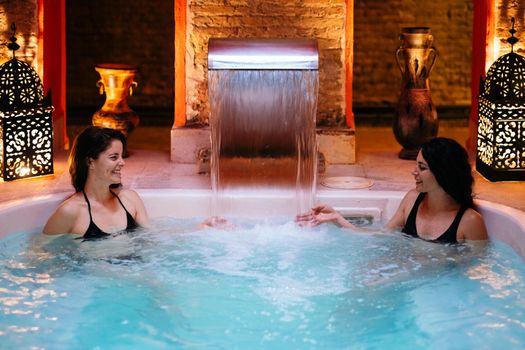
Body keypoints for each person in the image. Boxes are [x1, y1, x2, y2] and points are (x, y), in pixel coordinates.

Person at [296, 137, 488, 243]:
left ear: (443, 173)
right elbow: (381, 236)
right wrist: (337, 218)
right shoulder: (413, 200)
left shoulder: (469, 222)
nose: (414, 172)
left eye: (422, 168)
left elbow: (472, 274)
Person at [43, 126, 149, 238]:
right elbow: (39, 251)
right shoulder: (71, 211)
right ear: (90, 162)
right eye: (114, 157)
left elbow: (150, 240)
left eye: (121, 157)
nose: (122, 163)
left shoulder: (130, 199)